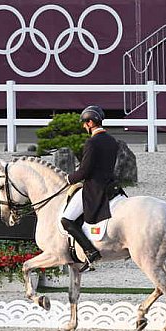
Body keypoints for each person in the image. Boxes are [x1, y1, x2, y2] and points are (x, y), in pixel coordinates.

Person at [61, 105, 119, 272]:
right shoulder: (111, 140)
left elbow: (85, 171)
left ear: (91, 122)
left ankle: (90, 251)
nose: (83, 127)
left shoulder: (92, 142)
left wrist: (69, 178)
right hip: (111, 186)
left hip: (95, 188)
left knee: (66, 219)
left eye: (85, 123)